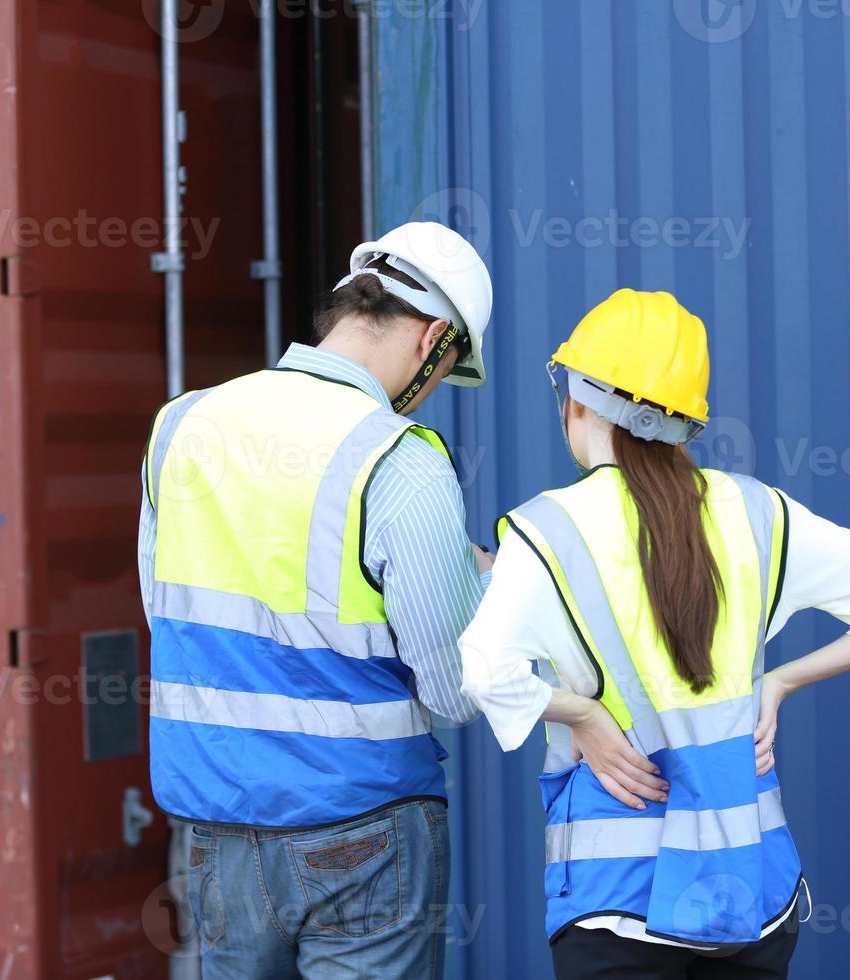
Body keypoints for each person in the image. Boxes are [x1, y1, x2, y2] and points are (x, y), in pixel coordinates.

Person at [459, 289, 850, 979]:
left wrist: (583, 715)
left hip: (618, 901)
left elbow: (485, 672)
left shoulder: (546, 530)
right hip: (751, 890)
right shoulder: (757, 511)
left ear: (579, 398)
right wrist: (778, 682)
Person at [138, 222, 495, 979]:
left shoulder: (182, 427)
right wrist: (484, 583)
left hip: (215, 828)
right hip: (360, 832)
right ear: (433, 336)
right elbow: (459, 691)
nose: (429, 395)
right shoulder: (399, 460)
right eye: (444, 370)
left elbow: (170, 615)